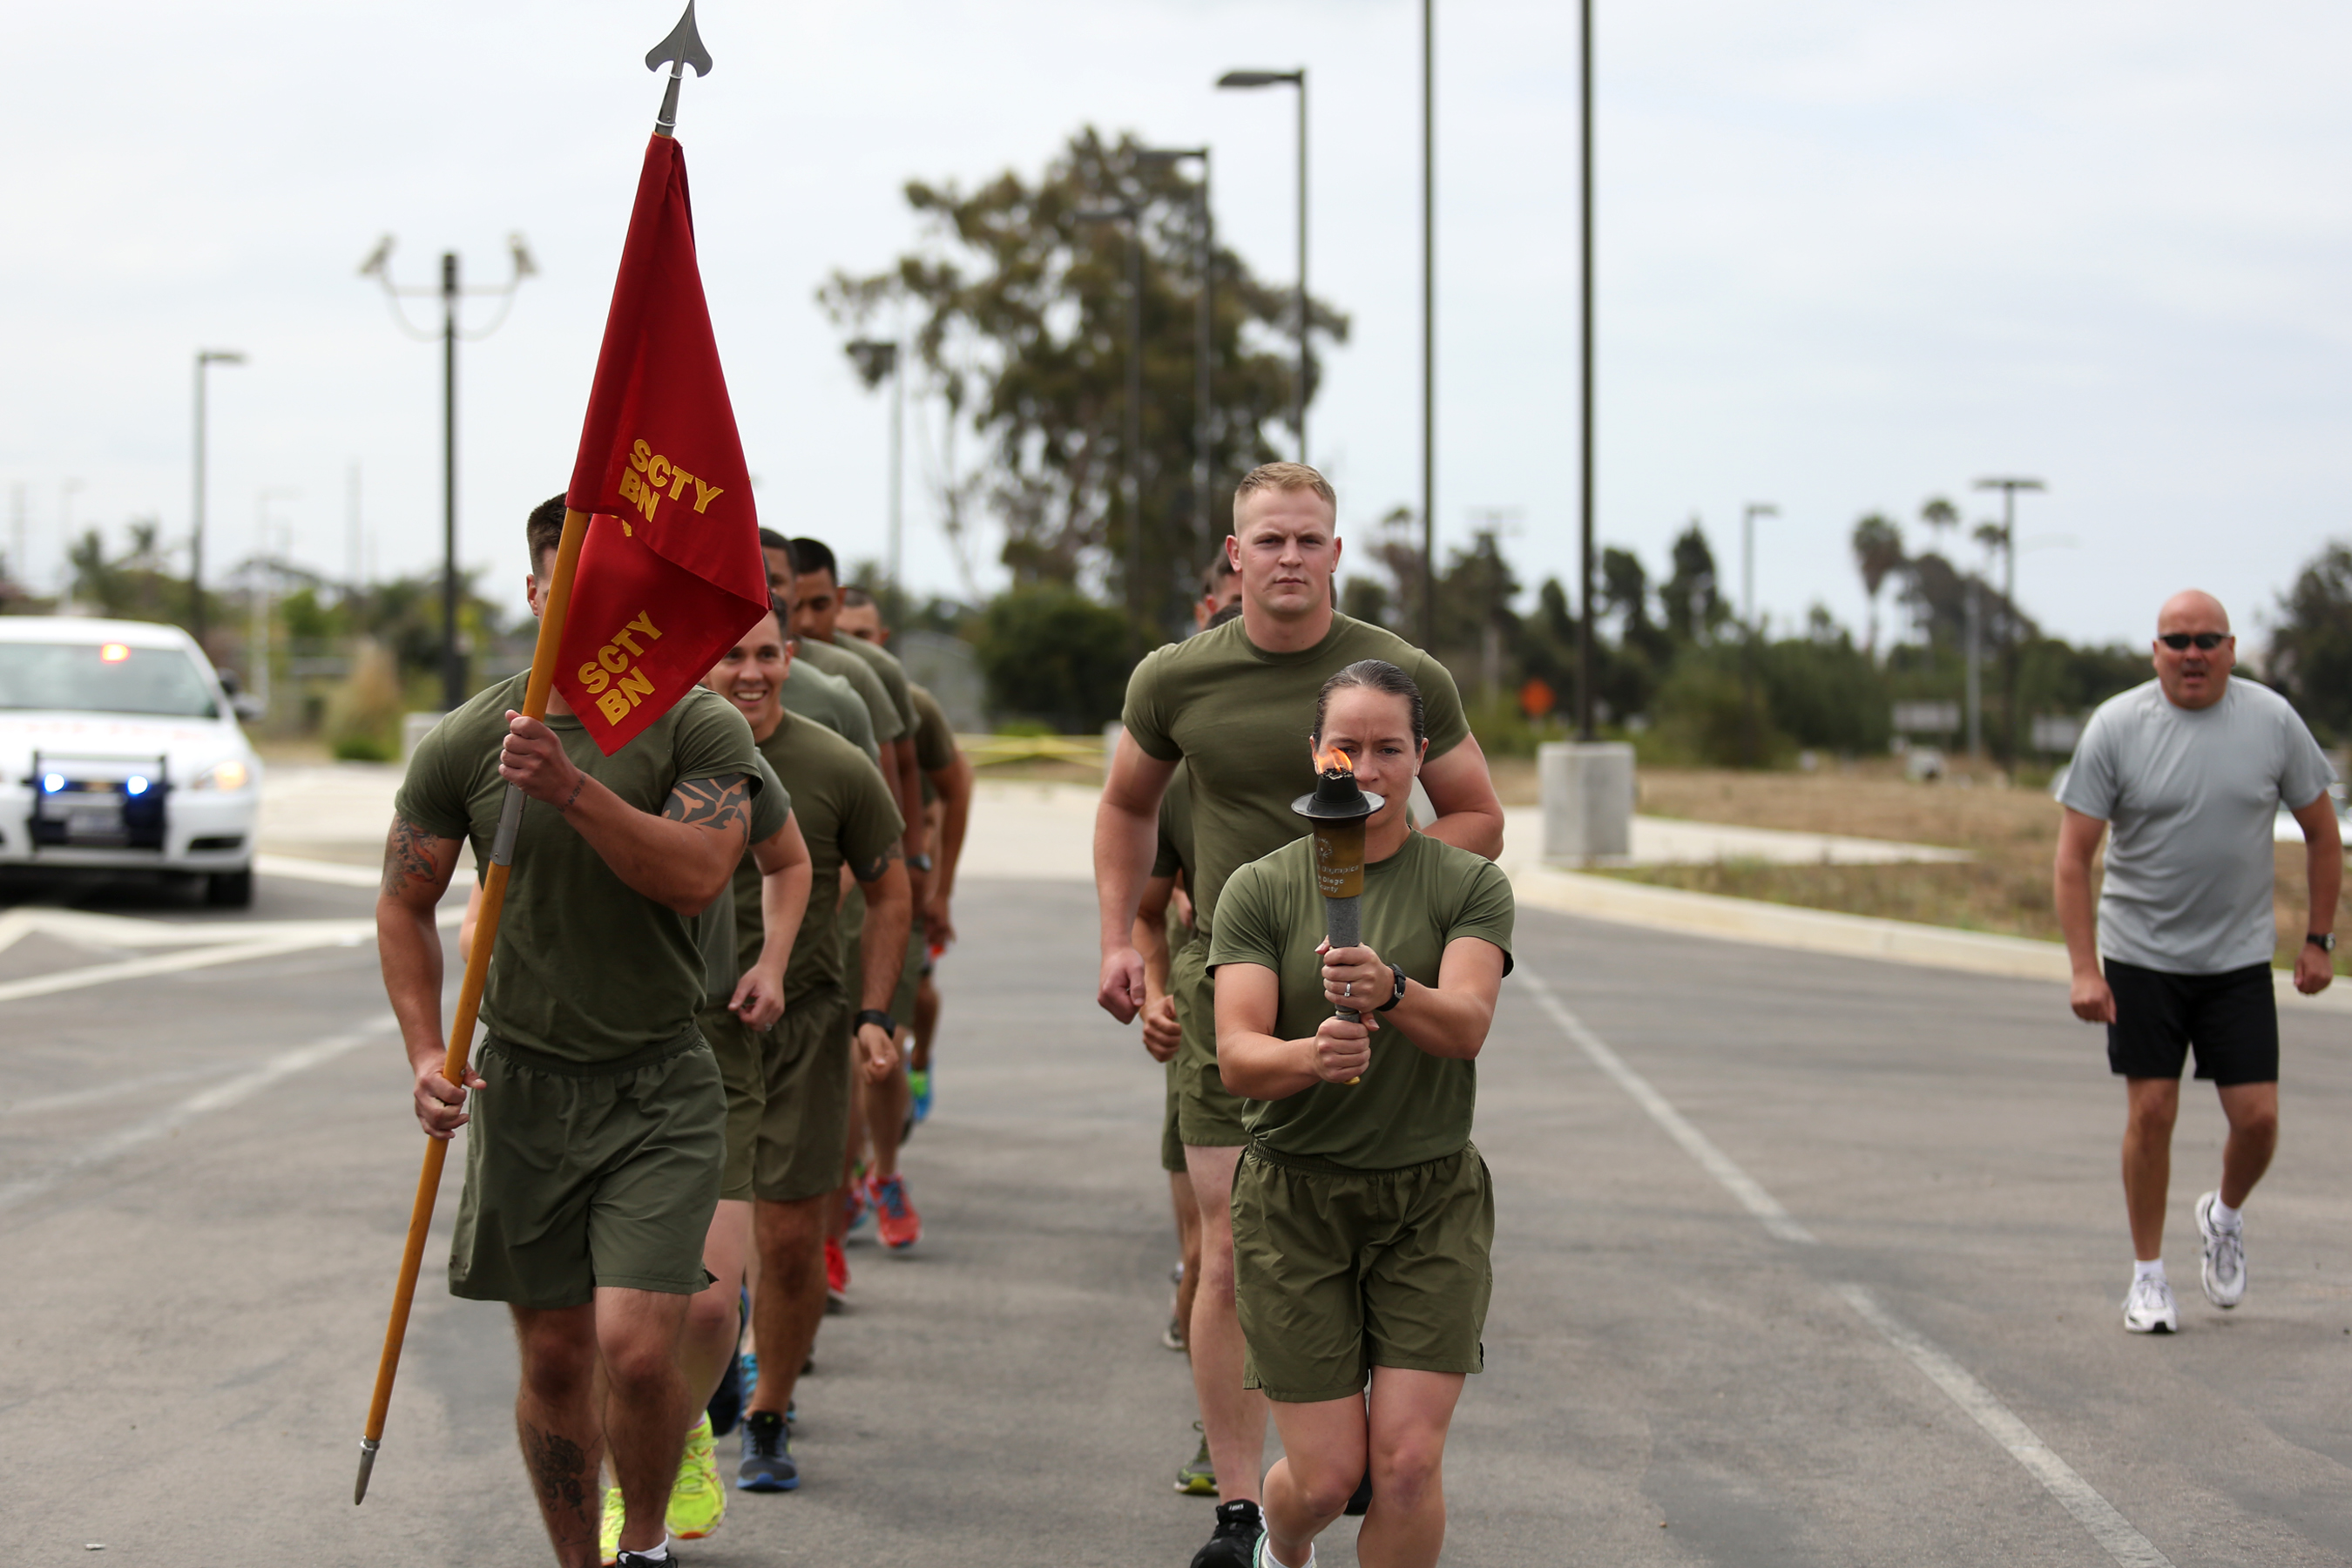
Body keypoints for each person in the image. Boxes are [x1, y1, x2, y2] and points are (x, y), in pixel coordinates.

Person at [1093, 463, 1505, 1568]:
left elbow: (1476, 815)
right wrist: (1119, 943)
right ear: (1235, 554)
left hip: (1376, 976)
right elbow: (1129, 807)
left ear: (1336, 552)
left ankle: (1307, 1461)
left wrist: (1383, 895)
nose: (1287, 557)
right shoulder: (1178, 678)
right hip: (1229, 970)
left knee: (1399, 1452)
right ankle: (1243, 1506)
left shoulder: (1402, 674)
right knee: (1227, 1238)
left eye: (1308, 540)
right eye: (1267, 539)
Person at [378, 494, 767, 1568]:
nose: (586, 597)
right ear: (540, 590)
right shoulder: (466, 740)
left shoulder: (698, 722)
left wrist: (572, 788)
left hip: (657, 1086)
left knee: (639, 1352)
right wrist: (424, 1054)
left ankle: (642, 1543)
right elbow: (404, 905)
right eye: (568, 578)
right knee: (555, 1359)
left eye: (610, 577)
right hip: (524, 1093)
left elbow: (695, 879)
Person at [1211, 659, 1513, 1568]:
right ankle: (1281, 1541)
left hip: (1429, 1200)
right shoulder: (1261, 888)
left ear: (1422, 756)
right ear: (1315, 754)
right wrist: (1310, 1056)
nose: (1368, 768)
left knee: (1409, 1464)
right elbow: (1238, 1055)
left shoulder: (1466, 884)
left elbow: (1464, 1027)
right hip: (1295, 1204)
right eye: (1347, 747)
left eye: (1390, 748)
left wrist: (1390, 990)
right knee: (1330, 1478)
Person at [2055, 589, 2340, 1335]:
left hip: (2236, 959)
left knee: (2259, 1120)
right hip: (2141, 956)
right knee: (2152, 1111)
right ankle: (2149, 1279)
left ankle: (2223, 1214)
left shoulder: (2272, 721)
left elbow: (2321, 831)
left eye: (2208, 640)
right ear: (2154, 651)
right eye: (2176, 640)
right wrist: (2086, 969)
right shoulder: (2116, 726)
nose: (2192, 654)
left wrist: (2320, 939)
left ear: (2231, 651)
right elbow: (2072, 858)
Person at [702, 606, 911, 1488]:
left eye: (765, 655)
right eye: (728, 656)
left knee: (790, 1243)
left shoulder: (836, 766)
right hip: (686, 1036)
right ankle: (700, 1375)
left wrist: (876, 1013)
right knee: (688, 1252)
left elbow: (890, 891)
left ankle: (768, 1412)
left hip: (803, 1028)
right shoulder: (666, 753)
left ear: (789, 658)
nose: (750, 674)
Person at [788, 540, 934, 1251]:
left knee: (873, 1050)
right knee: (832, 1064)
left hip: (864, 897)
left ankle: (884, 1171)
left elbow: (895, 781)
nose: (805, 617)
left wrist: (916, 869)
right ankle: (836, 1200)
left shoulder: (854, 680)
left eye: (816, 600)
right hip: (788, 916)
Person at [1135, 761, 1211, 1493]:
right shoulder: (1186, 782)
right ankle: (1218, 1433)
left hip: (1323, 1024)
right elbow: (1144, 907)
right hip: (1206, 1024)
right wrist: (1155, 992)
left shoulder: (1351, 768)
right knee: (1211, 1251)